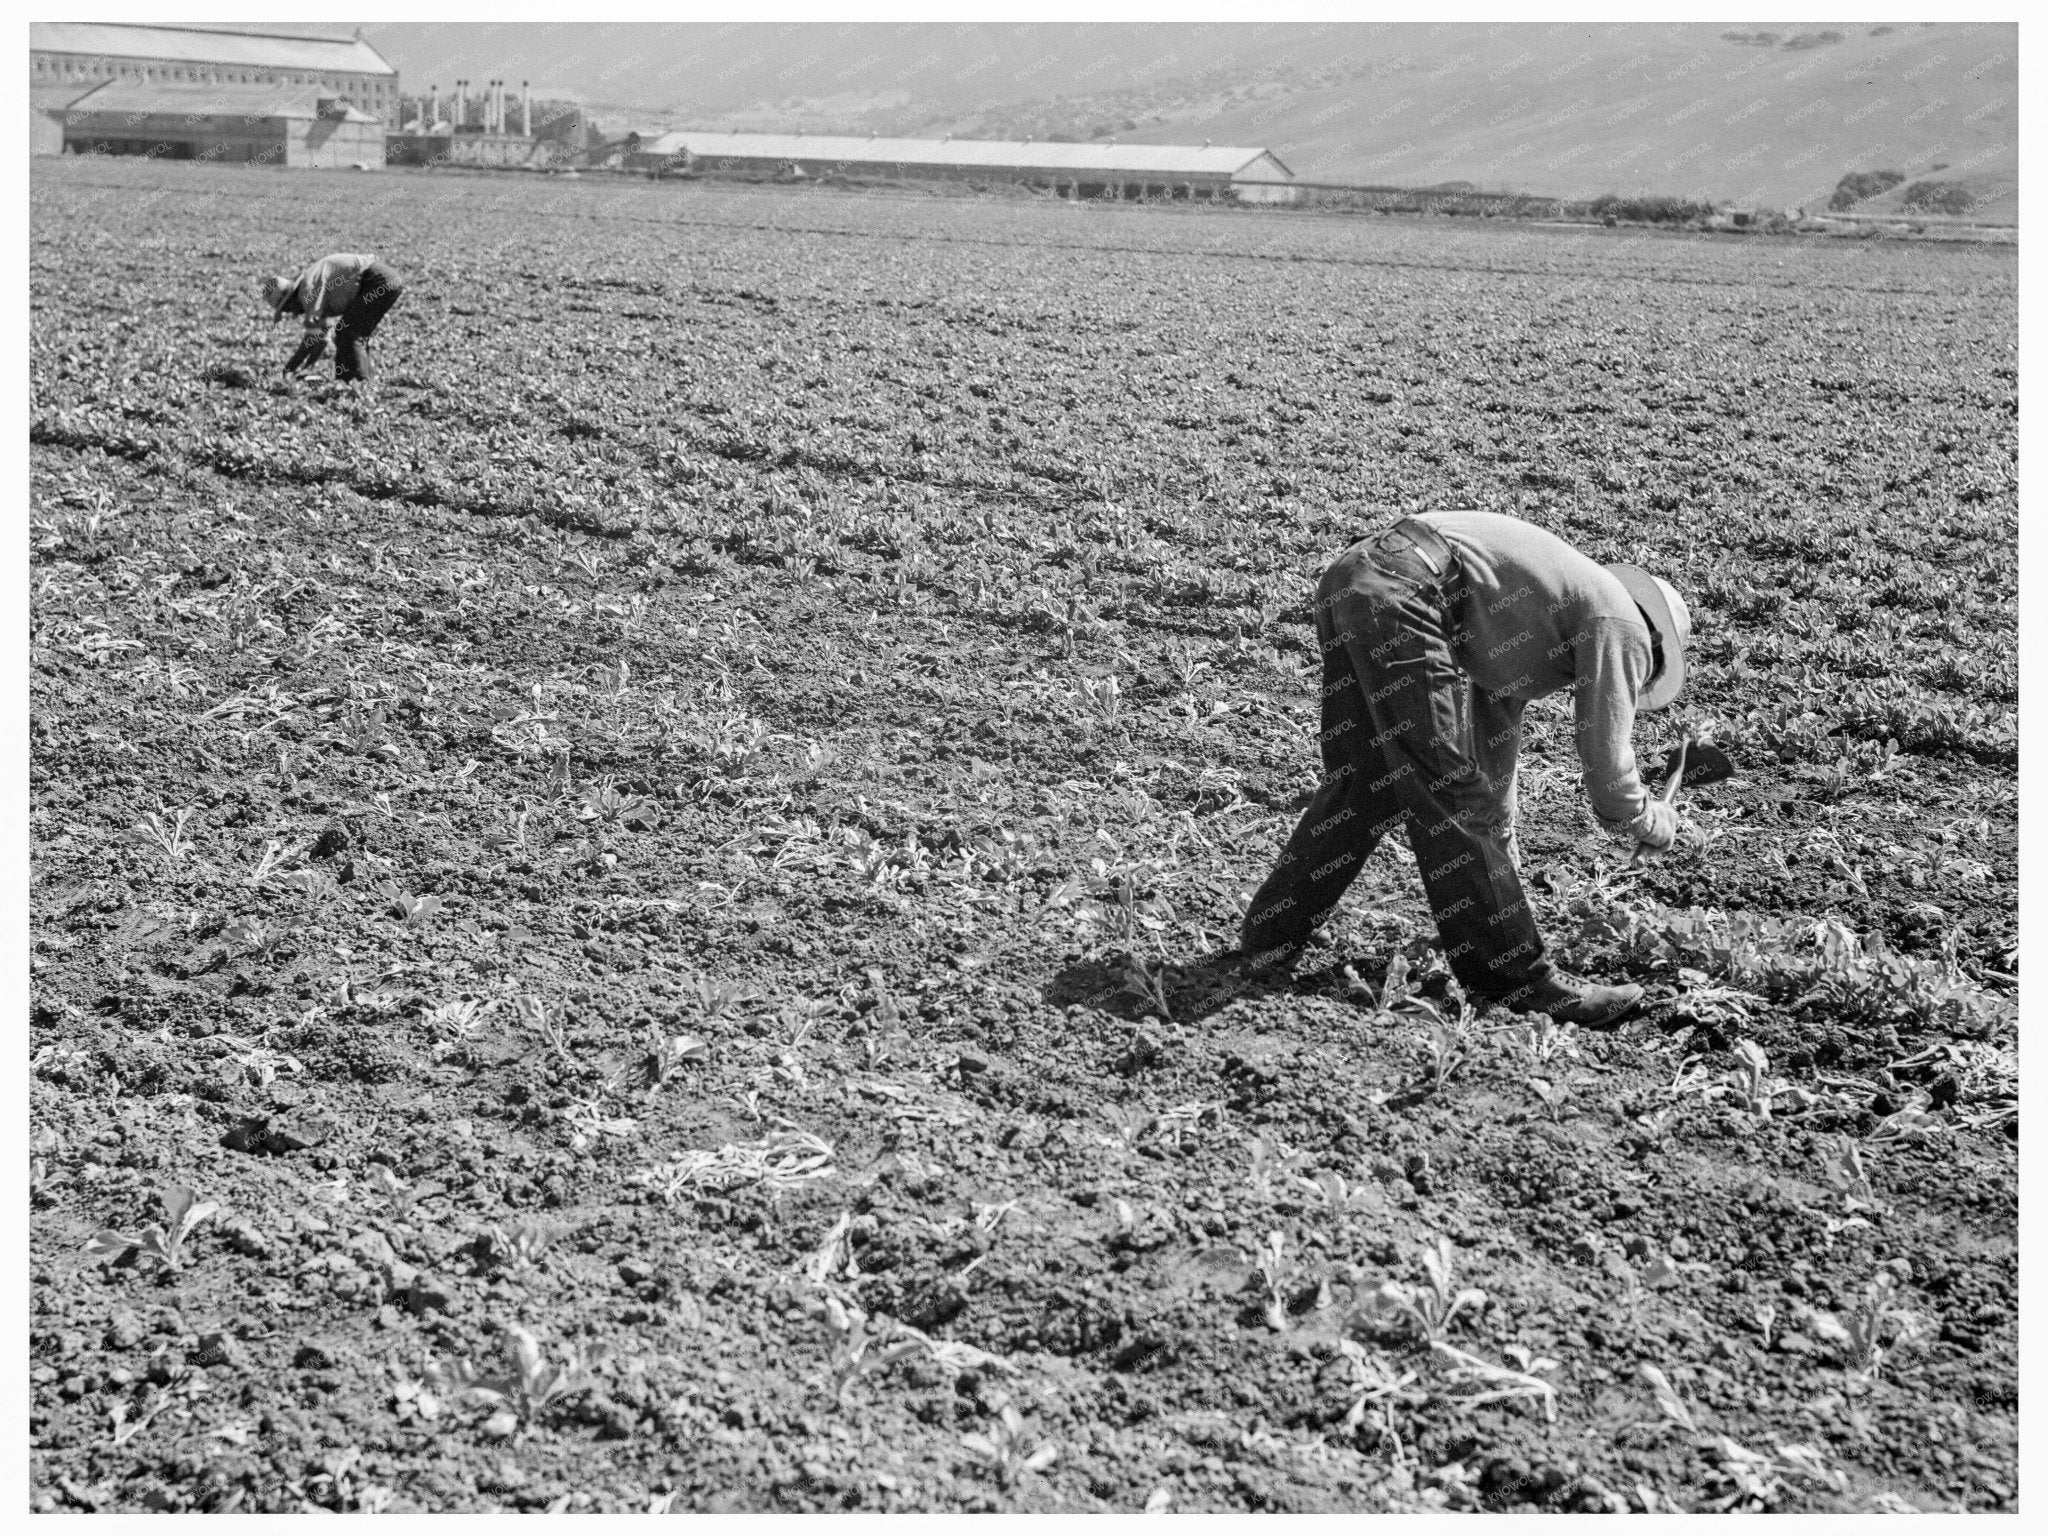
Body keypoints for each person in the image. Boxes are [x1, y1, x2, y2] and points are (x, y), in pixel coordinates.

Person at [1237, 510, 1692, 1026]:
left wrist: (1499, 838)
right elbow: (1606, 766)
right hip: (1408, 587)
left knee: (1366, 785)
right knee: (1449, 791)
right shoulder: (1623, 626)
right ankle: (1519, 980)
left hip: (1357, 576)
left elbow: (1493, 735)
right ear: (1654, 643)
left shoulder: (1546, 612)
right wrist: (1647, 819)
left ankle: (1272, 936)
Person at [260, 253, 405, 384]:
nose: (293, 313)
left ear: (289, 300)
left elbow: (311, 340)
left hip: (376, 280)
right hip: (383, 279)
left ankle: (359, 384)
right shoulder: (310, 289)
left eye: (287, 308)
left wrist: (289, 368)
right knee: (351, 334)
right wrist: (305, 367)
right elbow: (321, 339)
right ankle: (351, 382)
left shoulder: (307, 291)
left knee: (349, 333)